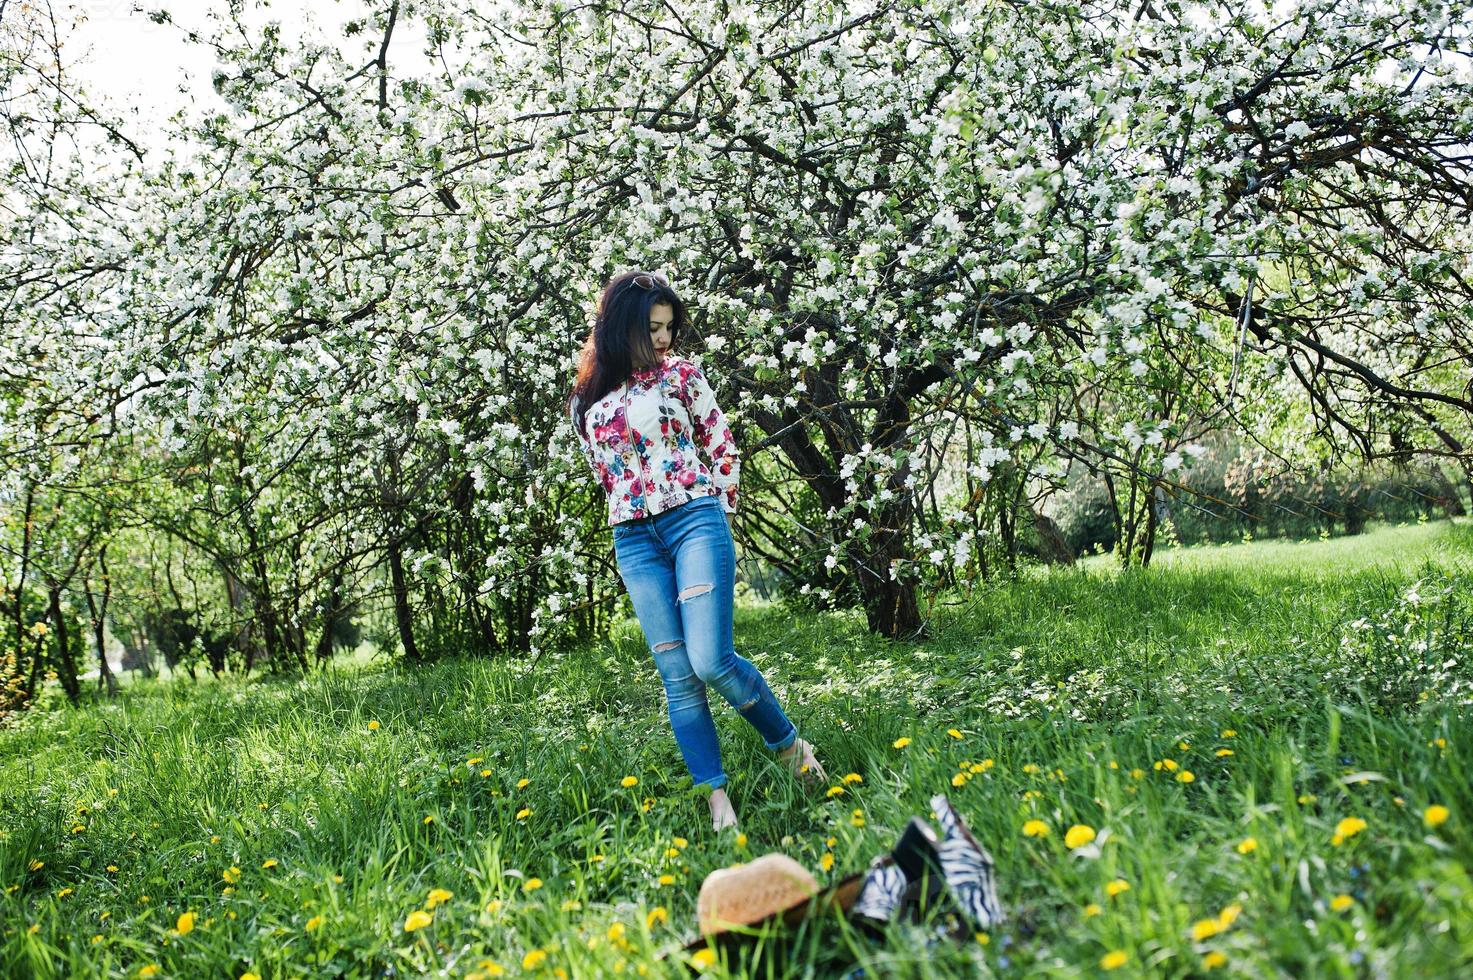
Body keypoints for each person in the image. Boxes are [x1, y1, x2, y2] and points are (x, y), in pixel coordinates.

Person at [567, 269, 827, 832]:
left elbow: (721, 446)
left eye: (668, 327)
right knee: (678, 676)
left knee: (710, 660)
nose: (663, 339)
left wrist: (713, 510)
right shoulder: (586, 398)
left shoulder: (682, 375)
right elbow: (603, 473)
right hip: (634, 539)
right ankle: (718, 801)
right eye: (652, 328)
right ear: (619, 328)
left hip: (693, 522)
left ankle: (789, 747)